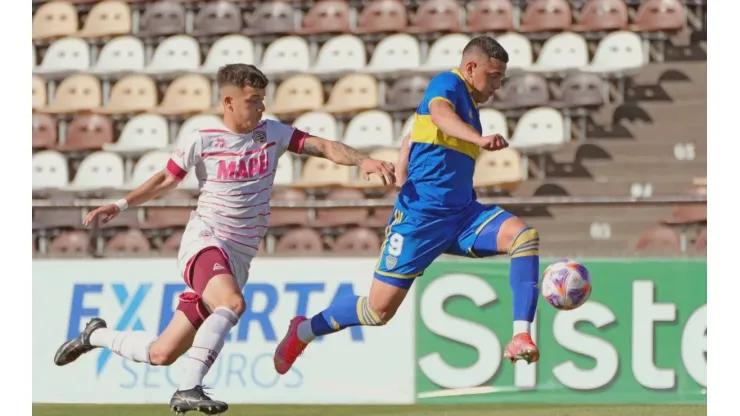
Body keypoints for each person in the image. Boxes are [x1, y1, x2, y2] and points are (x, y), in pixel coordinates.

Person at [52, 63, 395, 415]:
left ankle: (93, 335)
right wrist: (120, 204)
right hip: (206, 241)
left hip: (238, 258)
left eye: (262, 99)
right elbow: (165, 179)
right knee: (231, 304)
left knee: (162, 353)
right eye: (253, 100)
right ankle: (188, 389)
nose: (261, 107)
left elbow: (322, 146)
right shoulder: (203, 139)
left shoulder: (271, 133)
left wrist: (361, 160)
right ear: (229, 102)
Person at [274, 36, 541, 376]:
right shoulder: (447, 84)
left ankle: (521, 335)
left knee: (524, 237)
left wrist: (402, 165)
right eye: (494, 75)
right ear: (471, 67)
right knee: (376, 312)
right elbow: (439, 114)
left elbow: (415, 136)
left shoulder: (471, 108)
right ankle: (303, 330)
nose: (498, 85)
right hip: (420, 220)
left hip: (462, 215)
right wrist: (478, 140)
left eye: (502, 77)